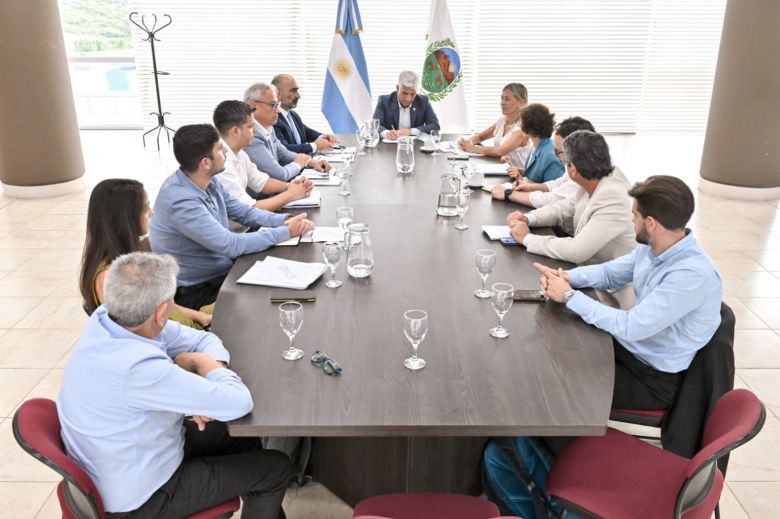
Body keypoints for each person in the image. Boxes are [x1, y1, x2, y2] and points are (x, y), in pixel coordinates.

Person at [59, 252, 292, 518]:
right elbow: (239, 403)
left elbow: (201, 340)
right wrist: (208, 369)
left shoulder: (110, 320)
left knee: (239, 438)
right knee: (276, 468)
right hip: (143, 500)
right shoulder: (137, 368)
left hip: (126, 460)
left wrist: (211, 374)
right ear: (160, 313)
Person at [536, 175, 723, 410]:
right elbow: (610, 273)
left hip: (652, 378)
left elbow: (630, 326)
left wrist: (569, 296)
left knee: (555, 385)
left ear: (652, 223)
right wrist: (565, 277)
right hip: (631, 349)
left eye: (635, 215)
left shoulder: (690, 276)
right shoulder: (655, 246)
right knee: (550, 351)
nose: (631, 220)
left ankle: (540, 443)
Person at [150, 124, 314, 310]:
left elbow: (245, 212)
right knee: (279, 301)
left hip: (223, 271)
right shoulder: (180, 202)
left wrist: (285, 220)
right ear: (205, 162)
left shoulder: (208, 180)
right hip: (199, 291)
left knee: (294, 286)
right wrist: (286, 231)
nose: (226, 151)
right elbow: (231, 245)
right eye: (220, 149)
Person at [505, 130, 636, 309]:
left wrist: (527, 239)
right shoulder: (594, 179)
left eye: (563, 160)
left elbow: (577, 250)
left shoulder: (613, 196)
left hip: (609, 296)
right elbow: (563, 209)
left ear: (573, 169)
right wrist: (528, 218)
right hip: (584, 278)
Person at [79, 179, 214, 329]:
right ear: (125, 218)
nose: (152, 212)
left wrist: (201, 317)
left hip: (184, 327)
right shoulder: (109, 278)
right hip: (178, 339)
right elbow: (139, 336)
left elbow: (170, 308)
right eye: (145, 208)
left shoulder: (133, 252)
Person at [213, 100, 314, 220]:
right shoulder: (221, 163)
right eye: (250, 127)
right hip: (235, 229)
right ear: (235, 131)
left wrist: (290, 186)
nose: (255, 131)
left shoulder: (239, 153)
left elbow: (262, 182)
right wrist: (291, 194)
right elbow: (248, 210)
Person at [492, 116, 595, 208]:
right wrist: (530, 186)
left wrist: (508, 193)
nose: (555, 155)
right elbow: (557, 183)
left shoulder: (581, 174)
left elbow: (551, 199)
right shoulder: (578, 164)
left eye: (558, 151)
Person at [244, 82, 331, 181]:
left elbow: (283, 153)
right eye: (273, 105)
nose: (277, 110)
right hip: (265, 196)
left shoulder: (268, 127)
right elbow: (280, 175)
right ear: (253, 105)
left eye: (277, 105)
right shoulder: (249, 136)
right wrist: (298, 163)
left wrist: (310, 162)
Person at [458, 83, 532, 168]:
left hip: (517, 177)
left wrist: (473, 148)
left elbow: (499, 151)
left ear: (521, 102)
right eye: (502, 98)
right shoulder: (502, 121)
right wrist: (466, 142)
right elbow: (480, 137)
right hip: (500, 169)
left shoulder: (522, 129)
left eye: (507, 99)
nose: (502, 103)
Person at [271, 74, 340, 154]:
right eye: (293, 91)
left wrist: (322, 137)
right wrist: (315, 146)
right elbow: (284, 148)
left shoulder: (292, 115)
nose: (298, 96)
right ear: (278, 94)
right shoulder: (273, 119)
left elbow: (307, 132)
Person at [372, 70, 440, 140]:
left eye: (412, 94)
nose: (408, 99)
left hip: (414, 146)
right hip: (390, 146)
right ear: (398, 88)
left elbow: (435, 125)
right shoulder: (384, 101)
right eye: (404, 93)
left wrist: (410, 131)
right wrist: (387, 133)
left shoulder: (423, 101)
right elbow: (375, 125)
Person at [511, 103, 564, 183]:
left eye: (521, 123)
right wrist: (517, 171)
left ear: (529, 126)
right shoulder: (536, 145)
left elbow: (551, 190)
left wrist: (521, 179)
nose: (520, 126)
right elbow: (534, 175)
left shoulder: (550, 155)